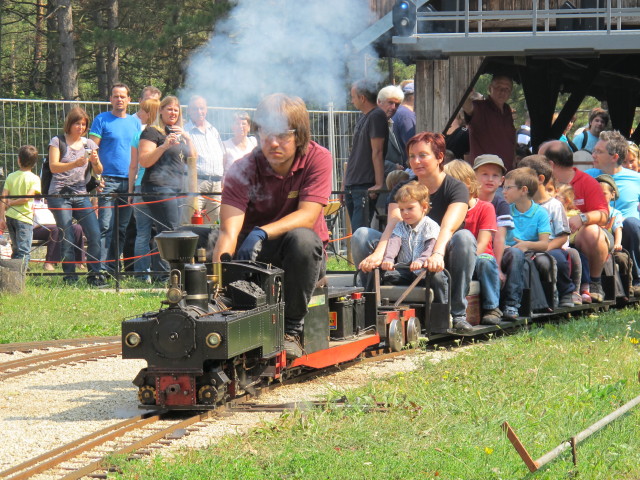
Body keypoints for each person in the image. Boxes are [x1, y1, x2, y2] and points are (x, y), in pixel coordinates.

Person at [212, 93, 332, 359]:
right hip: (254, 256)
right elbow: (229, 231)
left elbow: (307, 216)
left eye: (283, 135)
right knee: (209, 239)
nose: (273, 143)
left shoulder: (318, 158)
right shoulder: (242, 169)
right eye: (266, 133)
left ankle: (291, 329)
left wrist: (261, 232)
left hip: (301, 256)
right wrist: (216, 283)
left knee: (303, 239)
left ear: (299, 135)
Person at [354, 131, 476, 332]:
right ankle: (369, 306)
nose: (416, 161)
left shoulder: (456, 188)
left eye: (422, 155)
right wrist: (378, 253)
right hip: (404, 252)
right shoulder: (403, 187)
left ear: (439, 157)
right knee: (361, 235)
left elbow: (448, 227)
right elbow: (393, 224)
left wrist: (436, 255)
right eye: (411, 156)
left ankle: (457, 314)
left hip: (441, 254)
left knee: (464, 238)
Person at [539, 140, 609, 302]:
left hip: (582, 237)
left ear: (550, 164)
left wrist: (582, 218)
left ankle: (594, 282)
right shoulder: (539, 183)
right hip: (549, 235)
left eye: (539, 159)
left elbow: (604, 214)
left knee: (591, 231)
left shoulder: (586, 181)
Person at [47, 107, 104, 286]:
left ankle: (94, 274)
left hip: (81, 193)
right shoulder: (57, 141)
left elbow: (100, 170)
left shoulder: (89, 144)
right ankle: (69, 276)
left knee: (94, 233)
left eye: (84, 124)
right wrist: (74, 163)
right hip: (59, 193)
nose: (81, 127)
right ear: (70, 124)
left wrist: (95, 162)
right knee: (67, 234)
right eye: (77, 123)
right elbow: (54, 167)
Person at [89, 83, 141, 273]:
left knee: (121, 228)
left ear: (129, 100)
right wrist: (96, 178)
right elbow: (91, 149)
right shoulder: (101, 119)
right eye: (115, 96)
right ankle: (99, 269)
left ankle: (112, 269)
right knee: (105, 226)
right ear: (110, 99)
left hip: (128, 181)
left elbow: (138, 152)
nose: (119, 99)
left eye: (122, 96)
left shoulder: (135, 123)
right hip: (107, 181)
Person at [444, 160, 502, 325]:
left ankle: (492, 307)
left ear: (468, 184)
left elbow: (483, 242)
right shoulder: (449, 210)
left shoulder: (485, 208)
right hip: (455, 260)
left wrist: (468, 259)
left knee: (485, 262)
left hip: (478, 258)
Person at [586, 130, 640, 296]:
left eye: (599, 152)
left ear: (615, 157)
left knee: (631, 222)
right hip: (602, 232)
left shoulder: (636, 179)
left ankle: (638, 279)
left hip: (631, 233)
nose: (593, 155)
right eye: (594, 150)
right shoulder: (587, 178)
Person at [519, 155, 578, 307]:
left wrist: (544, 248)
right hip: (527, 247)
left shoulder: (554, 206)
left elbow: (562, 236)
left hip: (551, 246)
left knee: (558, 258)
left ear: (539, 179)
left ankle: (566, 292)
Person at [138, 96, 197, 245]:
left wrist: (187, 138)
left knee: (168, 232)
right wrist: (164, 146)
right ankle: (169, 269)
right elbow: (144, 161)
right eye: (169, 109)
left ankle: (165, 268)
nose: (173, 113)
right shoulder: (152, 132)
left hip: (177, 189)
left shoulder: (180, 135)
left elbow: (193, 158)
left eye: (176, 110)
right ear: (161, 111)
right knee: (171, 232)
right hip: (158, 187)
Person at [501, 167, 551, 319]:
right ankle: (518, 305)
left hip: (529, 252)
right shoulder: (505, 210)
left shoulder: (541, 213)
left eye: (508, 187)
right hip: (507, 252)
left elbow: (544, 244)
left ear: (523, 190)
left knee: (526, 262)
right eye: (503, 187)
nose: (504, 191)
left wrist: (526, 245)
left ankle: (514, 305)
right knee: (517, 257)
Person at [344, 79, 388, 232]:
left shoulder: (377, 116)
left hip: (364, 184)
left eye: (353, 97)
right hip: (353, 184)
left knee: (360, 233)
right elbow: (354, 153)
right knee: (356, 232)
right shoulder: (364, 117)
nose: (352, 101)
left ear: (362, 98)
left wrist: (378, 183)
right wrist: (345, 183)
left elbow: (378, 151)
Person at [380, 181, 441, 286]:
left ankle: (442, 302)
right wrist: (388, 259)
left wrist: (421, 260)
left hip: (424, 269)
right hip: (405, 269)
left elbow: (430, 246)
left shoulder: (430, 225)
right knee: (386, 276)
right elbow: (394, 243)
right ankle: (384, 300)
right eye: (401, 209)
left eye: (410, 208)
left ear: (424, 207)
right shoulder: (400, 226)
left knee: (438, 278)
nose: (405, 213)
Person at [128, 98, 161, 281]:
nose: (139, 114)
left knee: (142, 232)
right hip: (158, 188)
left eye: (142, 111)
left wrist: (131, 191)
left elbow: (133, 166)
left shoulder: (137, 135)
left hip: (140, 186)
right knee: (160, 233)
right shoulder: (162, 133)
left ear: (151, 113)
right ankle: (161, 274)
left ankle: (142, 275)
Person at [183, 95, 226, 224]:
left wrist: (222, 178)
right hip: (196, 183)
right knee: (192, 223)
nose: (199, 112)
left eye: (202, 108)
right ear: (189, 111)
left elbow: (222, 155)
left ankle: (210, 246)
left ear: (206, 110)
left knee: (213, 226)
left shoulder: (214, 130)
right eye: (195, 109)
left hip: (216, 184)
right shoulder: (186, 131)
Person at [473, 154, 513, 285]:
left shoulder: (501, 205)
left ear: (501, 180)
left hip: (490, 254)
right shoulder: (466, 200)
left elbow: (499, 238)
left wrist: (498, 268)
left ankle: (510, 302)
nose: (490, 179)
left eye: (495, 175)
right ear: (474, 177)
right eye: (484, 174)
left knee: (515, 255)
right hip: (469, 250)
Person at [463, 75, 516, 171]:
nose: (503, 92)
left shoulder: (507, 110)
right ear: (490, 88)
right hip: (485, 174)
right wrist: (466, 94)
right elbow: (467, 107)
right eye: (499, 87)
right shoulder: (480, 108)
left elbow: (510, 140)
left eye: (507, 89)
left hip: (506, 173)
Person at [0, 145, 41, 264]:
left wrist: (2, 217)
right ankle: (21, 273)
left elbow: (3, 198)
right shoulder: (35, 179)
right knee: (24, 249)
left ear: (18, 160)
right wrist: (12, 203)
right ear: (34, 163)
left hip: (10, 217)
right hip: (25, 218)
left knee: (16, 248)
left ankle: (13, 273)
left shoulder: (11, 176)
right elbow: (27, 198)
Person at [32, 198, 86, 270]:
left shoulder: (53, 200)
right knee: (57, 229)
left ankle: (78, 261)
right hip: (38, 228)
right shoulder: (30, 200)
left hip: (56, 225)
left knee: (77, 228)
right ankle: (49, 262)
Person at [392, 81, 416, 166]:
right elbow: (412, 145)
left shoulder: (398, 112)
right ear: (413, 97)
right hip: (406, 168)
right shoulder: (407, 116)